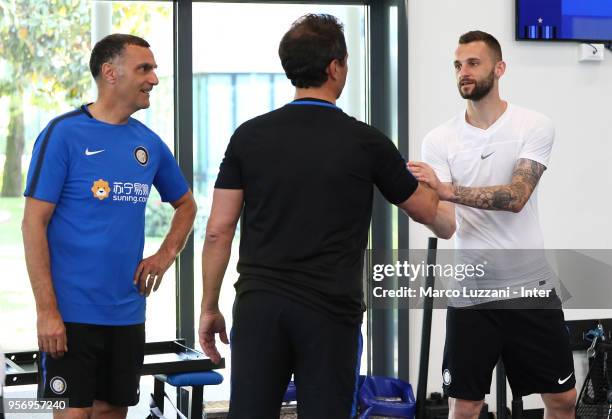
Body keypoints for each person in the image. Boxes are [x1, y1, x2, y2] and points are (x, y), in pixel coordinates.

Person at [198, 13, 438, 419]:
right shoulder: (366, 141)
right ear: (334, 67)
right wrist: (442, 187)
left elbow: (219, 232)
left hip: (260, 307)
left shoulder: (248, 136)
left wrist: (208, 306)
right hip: (329, 313)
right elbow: (431, 214)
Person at [22, 34, 196, 419]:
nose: (154, 78)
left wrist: (163, 257)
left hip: (126, 315)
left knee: (110, 414)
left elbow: (186, 205)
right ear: (110, 73)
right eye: (144, 68)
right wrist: (47, 311)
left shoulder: (149, 144)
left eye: (153, 69)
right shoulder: (62, 134)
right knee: (71, 415)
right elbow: (33, 224)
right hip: (69, 315)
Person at [409, 30, 576, 419]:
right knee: (465, 406)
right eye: (457, 65)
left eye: (473, 63)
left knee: (562, 400)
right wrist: (414, 201)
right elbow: (446, 226)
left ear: (499, 68)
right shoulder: (439, 139)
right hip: (472, 293)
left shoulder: (533, 125)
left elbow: (517, 196)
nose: (463, 72)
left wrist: (445, 189)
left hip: (530, 288)